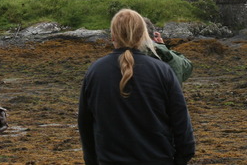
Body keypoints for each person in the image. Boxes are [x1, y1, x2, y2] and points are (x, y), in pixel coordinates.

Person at [78, 9, 195, 165]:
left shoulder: (95, 72)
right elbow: (183, 130)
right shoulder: (162, 71)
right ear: (143, 35)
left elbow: (85, 126)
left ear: (113, 35)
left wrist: (93, 161)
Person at [143, 17, 193, 83]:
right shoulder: (171, 58)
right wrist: (161, 46)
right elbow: (187, 66)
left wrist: (159, 46)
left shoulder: (131, 57)